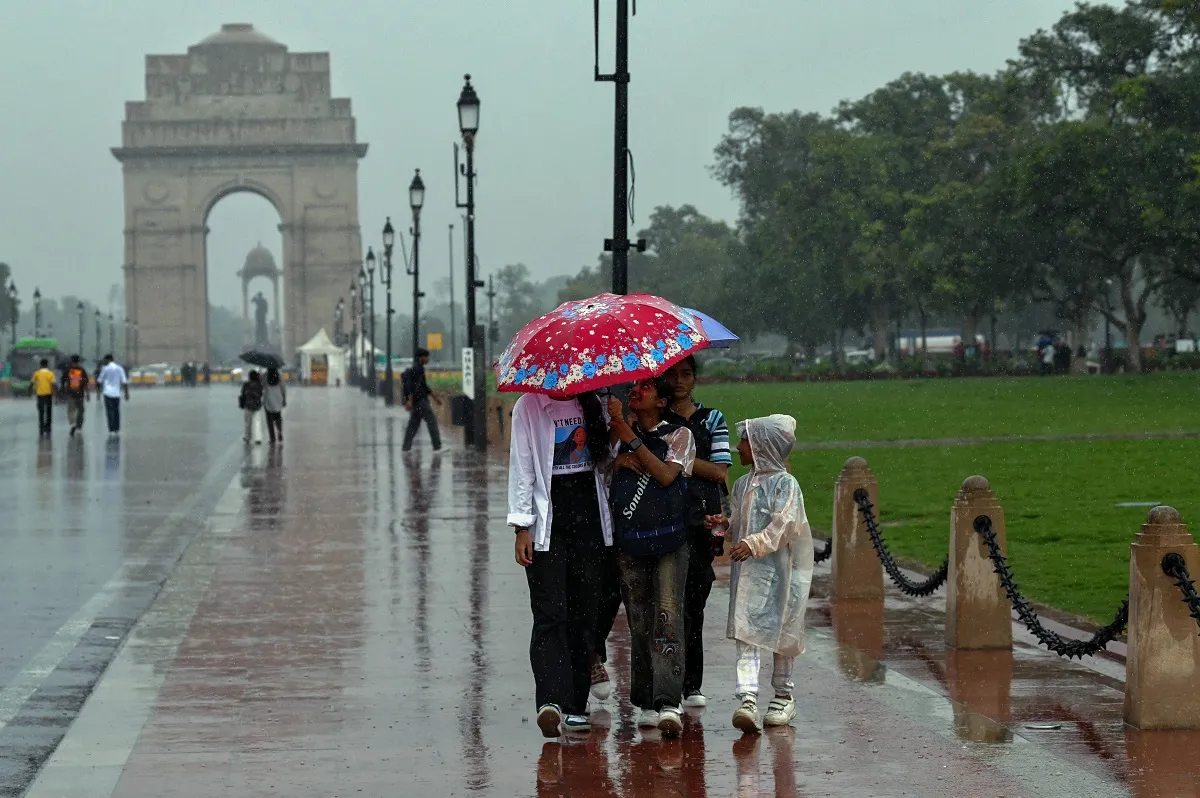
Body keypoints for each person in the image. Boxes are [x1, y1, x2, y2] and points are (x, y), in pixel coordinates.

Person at [509, 388, 613, 738]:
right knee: (550, 613)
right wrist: (521, 526)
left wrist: (613, 420)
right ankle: (551, 701)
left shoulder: (595, 403)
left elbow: (607, 463)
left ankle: (575, 704)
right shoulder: (529, 406)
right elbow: (522, 467)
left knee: (585, 613)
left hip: (590, 518)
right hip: (547, 522)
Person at [707, 414, 813, 735]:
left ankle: (783, 695)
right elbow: (742, 522)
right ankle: (748, 698)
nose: (739, 447)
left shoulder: (786, 485)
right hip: (749, 574)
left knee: (783, 630)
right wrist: (725, 525)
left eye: (744, 441)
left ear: (761, 446)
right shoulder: (743, 484)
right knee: (746, 630)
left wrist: (753, 544)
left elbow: (784, 525)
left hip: (781, 573)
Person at [607, 376, 696, 738]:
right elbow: (598, 471)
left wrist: (630, 438)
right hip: (630, 541)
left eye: (646, 387)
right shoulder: (616, 436)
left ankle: (669, 700)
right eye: (635, 386)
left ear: (661, 401)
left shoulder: (680, 435)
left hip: (670, 541)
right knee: (639, 621)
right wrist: (617, 458)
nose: (636, 390)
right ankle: (645, 699)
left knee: (667, 617)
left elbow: (665, 475)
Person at [664, 355, 731, 708]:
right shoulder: (658, 420)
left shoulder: (712, 419)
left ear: (695, 378)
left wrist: (677, 458)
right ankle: (667, 684)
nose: (679, 381)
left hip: (702, 521)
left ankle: (692, 683)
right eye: (673, 374)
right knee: (666, 605)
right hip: (665, 518)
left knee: (695, 601)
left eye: (686, 374)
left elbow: (720, 472)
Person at [401, 348, 442, 452]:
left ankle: (406, 447)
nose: (428, 359)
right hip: (420, 401)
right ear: (420, 358)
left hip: (417, 402)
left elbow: (424, 386)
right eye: (426, 357)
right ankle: (437, 447)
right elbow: (411, 386)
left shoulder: (418, 368)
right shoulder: (417, 369)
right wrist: (410, 401)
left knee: (413, 425)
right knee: (431, 421)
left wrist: (435, 398)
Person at [96, 355, 131, 437]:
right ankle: (116, 429)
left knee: (109, 411)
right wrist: (126, 393)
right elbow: (124, 381)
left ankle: (111, 429)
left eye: (104, 360)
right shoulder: (119, 368)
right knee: (116, 411)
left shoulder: (105, 369)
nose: (104, 362)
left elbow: (99, 380)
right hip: (116, 394)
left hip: (107, 393)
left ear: (108, 360)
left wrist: (98, 391)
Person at [61, 355, 91, 437]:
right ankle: (79, 428)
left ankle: (72, 424)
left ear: (71, 361)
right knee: (80, 411)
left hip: (71, 394)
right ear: (78, 361)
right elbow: (86, 383)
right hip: (80, 394)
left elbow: (63, 381)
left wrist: (63, 391)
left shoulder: (68, 370)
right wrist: (88, 394)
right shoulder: (82, 370)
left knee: (71, 410)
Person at [32, 358, 57, 437]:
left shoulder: (37, 373)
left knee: (41, 412)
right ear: (47, 365)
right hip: (48, 395)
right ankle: (48, 428)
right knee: (49, 412)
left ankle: (41, 428)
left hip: (40, 395)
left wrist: (32, 391)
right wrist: (54, 394)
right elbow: (53, 384)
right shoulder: (51, 373)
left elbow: (32, 383)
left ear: (40, 365)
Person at [239, 370, 265, 444]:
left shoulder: (246, 384)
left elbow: (243, 394)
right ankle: (258, 438)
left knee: (248, 422)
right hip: (257, 405)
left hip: (248, 405)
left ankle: (247, 437)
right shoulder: (259, 384)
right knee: (257, 422)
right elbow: (261, 394)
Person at [263, 368, 287, 445]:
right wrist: (284, 399)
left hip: (268, 399)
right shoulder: (279, 375)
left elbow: (262, 385)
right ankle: (280, 431)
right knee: (278, 417)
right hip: (278, 398)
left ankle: (272, 438)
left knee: (269, 421)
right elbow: (283, 388)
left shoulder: (265, 375)